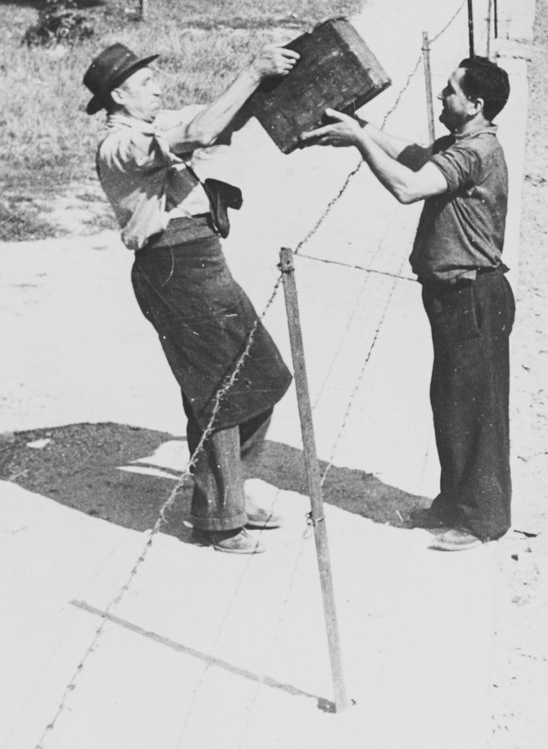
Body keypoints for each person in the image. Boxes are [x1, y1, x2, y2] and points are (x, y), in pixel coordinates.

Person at [85, 41, 299, 555]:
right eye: (145, 82)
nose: (158, 86)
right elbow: (202, 132)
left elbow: (216, 118)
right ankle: (219, 520)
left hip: (199, 258)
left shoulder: (152, 127)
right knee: (220, 388)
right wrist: (252, 67)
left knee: (262, 375)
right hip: (173, 267)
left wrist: (275, 79)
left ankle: (228, 492)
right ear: (118, 95)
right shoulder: (119, 145)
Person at [299, 57, 515, 553]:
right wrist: (362, 127)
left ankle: (482, 521)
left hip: (473, 296)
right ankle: (453, 502)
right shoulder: (462, 144)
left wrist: (357, 144)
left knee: (477, 411)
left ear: (475, 105)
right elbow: (418, 156)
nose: (442, 95)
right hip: (453, 297)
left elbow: (407, 186)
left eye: (450, 91)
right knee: (451, 402)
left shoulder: (476, 152)